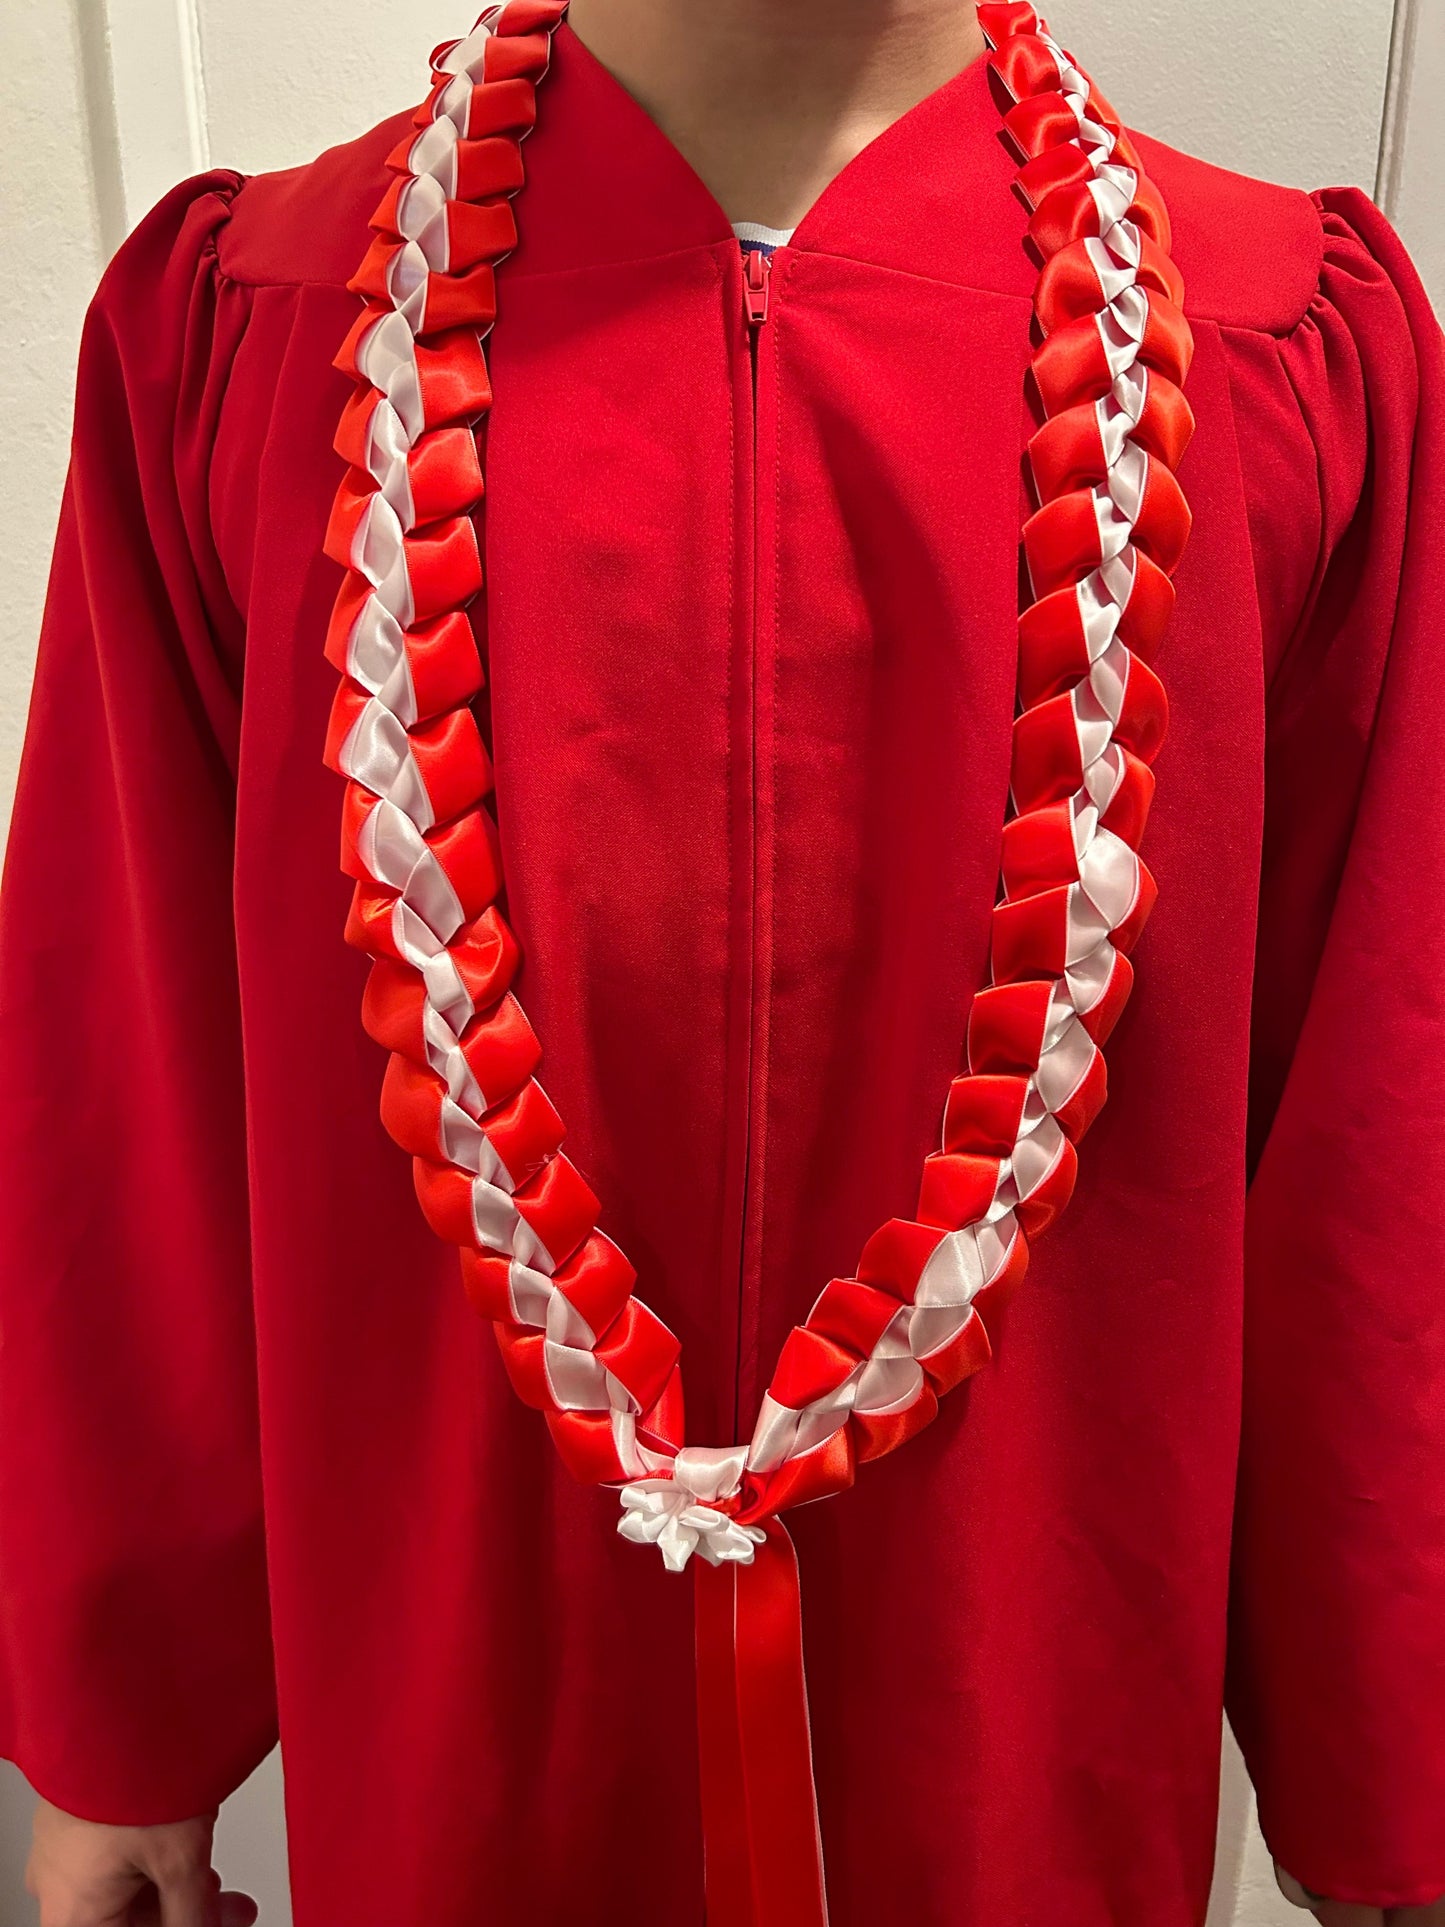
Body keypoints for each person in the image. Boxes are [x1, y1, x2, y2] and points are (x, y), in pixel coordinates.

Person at [3, 1, 1444, 1922]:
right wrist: (124, 1720)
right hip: (457, 1771)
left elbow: (1373, 1155)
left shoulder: (1285, 357)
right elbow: (132, 1083)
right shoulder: (248, 347)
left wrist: (1385, 1770)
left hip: (1028, 1762)